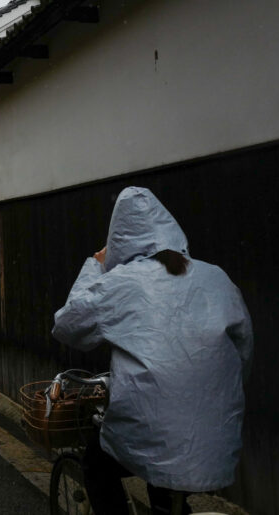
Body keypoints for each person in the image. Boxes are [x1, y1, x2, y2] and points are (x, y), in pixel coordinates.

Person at [52, 187, 253, 515]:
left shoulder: (122, 280)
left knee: (97, 464)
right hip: (218, 438)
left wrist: (94, 265)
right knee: (167, 478)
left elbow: (68, 324)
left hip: (151, 433)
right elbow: (243, 353)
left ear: (120, 237)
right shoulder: (217, 277)